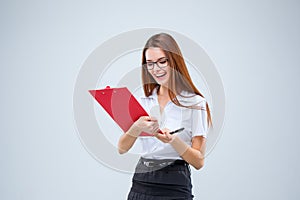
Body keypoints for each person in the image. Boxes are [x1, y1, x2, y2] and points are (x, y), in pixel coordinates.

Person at [118, 33, 213, 200]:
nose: (156, 69)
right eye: (150, 64)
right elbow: (122, 148)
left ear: (174, 62)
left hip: (174, 182)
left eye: (162, 62)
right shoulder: (143, 99)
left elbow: (198, 162)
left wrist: (174, 141)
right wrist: (136, 127)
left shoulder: (195, 103)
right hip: (142, 180)